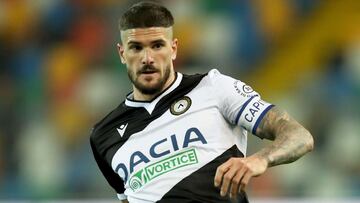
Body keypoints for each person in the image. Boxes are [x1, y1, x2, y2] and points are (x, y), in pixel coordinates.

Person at [90, 1, 314, 203]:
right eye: (136, 47)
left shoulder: (214, 88)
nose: (147, 58)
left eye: (157, 45)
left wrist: (260, 159)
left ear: (173, 48)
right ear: (121, 53)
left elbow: (300, 137)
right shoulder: (103, 136)